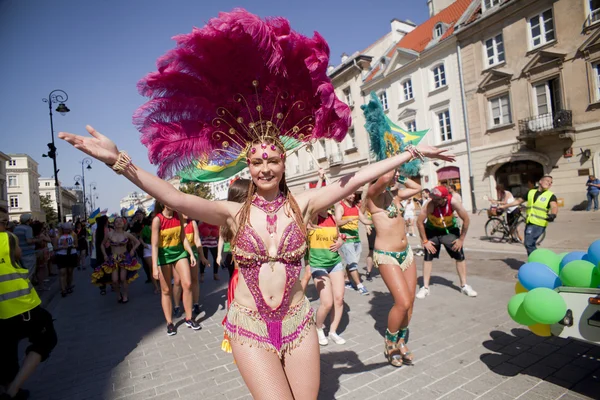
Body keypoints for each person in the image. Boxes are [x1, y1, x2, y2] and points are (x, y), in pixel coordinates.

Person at [58, 9, 454, 397]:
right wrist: (119, 161)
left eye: (273, 159)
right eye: (258, 160)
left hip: (299, 323)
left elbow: (357, 177)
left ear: (283, 162)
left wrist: (411, 154)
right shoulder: (230, 212)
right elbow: (172, 195)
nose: (265, 167)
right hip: (250, 327)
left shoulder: (305, 203)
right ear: (247, 165)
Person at [0, 207, 58, 400]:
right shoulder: (7, 238)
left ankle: (11, 388)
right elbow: (16, 256)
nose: (7, 226)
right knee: (46, 337)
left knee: (6, 350)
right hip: (19, 304)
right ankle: (12, 390)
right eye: (4, 222)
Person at [365, 173, 422, 366]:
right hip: (387, 255)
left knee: (411, 301)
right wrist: (392, 165)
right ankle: (390, 342)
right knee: (402, 302)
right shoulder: (372, 197)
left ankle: (401, 340)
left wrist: (401, 175)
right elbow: (381, 180)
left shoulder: (395, 195)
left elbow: (417, 188)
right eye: (391, 174)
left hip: (406, 253)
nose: (393, 177)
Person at [307, 170, 346, 346]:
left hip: (335, 263)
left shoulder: (332, 218)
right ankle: (318, 327)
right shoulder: (312, 218)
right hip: (319, 265)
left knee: (339, 299)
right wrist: (321, 179)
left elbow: (339, 236)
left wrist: (339, 243)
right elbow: (316, 196)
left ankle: (333, 331)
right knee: (327, 303)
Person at [415, 186, 477, 299]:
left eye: (437, 199)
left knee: (459, 256)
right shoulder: (430, 204)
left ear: (444, 198)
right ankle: (425, 287)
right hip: (432, 231)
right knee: (428, 257)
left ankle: (464, 285)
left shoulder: (453, 202)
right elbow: (419, 222)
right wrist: (425, 241)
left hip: (449, 231)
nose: (434, 200)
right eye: (433, 198)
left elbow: (466, 219)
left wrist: (461, 239)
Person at [151, 203, 199, 334]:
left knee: (187, 284)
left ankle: (189, 318)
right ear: (162, 203)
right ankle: (170, 323)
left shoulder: (178, 216)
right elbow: (154, 245)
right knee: (166, 290)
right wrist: (155, 266)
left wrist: (190, 253)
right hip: (163, 255)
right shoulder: (157, 220)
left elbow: (183, 237)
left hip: (179, 253)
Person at [499, 175, 558, 255]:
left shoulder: (550, 195)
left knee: (528, 243)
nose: (549, 183)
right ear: (540, 181)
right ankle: (535, 260)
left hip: (539, 224)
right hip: (529, 222)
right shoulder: (531, 192)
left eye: (551, 182)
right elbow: (518, 201)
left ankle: (537, 260)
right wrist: (504, 206)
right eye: (547, 181)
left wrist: (553, 215)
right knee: (529, 244)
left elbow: (554, 206)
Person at [97, 217, 142, 303]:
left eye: (120, 221)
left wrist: (132, 250)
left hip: (124, 258)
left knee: (122, 278)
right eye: (116, 221)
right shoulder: (109, 234)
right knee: (114, 280)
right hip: (113, 258)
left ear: (123, 223)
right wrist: (105, 255)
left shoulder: (126, 234)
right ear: (113, 224)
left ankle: (125, 295)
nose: (118, 223)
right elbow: (102, 245)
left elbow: (137, 242)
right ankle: (118, 294)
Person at [335, 193, 371, 295]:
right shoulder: (340, 207)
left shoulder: (355, 207)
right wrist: (347, 220)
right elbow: (337, 221)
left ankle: (346, 279)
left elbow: (364, 220)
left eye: (354, 194)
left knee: (351, 262)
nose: (353, 196)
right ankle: (360, 286)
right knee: (353, 264)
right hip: (346, 240)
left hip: (356, 239)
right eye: (350, 194)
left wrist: (376, 221)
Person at [173, 214, 208, 317]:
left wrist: (202, 256)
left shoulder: (192, 223)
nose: (186, 213)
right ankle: (176, 306)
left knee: (194, 279)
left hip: (193, 252)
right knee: (177, 281)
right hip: (179, 254)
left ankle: (196, 303)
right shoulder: (175, 224)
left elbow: (197, 240)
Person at [217, 178, 250, 282]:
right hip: (236, 267)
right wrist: (219, 255)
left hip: (255, 278)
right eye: (250, 196)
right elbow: (221, 238)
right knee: (232, 275)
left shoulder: (254, 217)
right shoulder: (228, 220)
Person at [55, 223, 78, 297]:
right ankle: (63, 289)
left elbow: (76, 245)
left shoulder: (73, 235)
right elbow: (55, 247)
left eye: (68, 229)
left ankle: (69, 285)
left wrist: (72, 246)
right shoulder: (58, 236)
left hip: (71, 254)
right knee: (62, 272)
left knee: (70, 271)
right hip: (61, 255)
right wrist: (62, 247)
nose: (67, 230)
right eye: (65, 229)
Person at [140, 216, 160, 294]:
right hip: (148, 248)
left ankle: (162, 284)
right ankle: (156, 287)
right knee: (152, 267)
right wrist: (144, 244)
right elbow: (140, 238)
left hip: (158, 247)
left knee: (160, 267)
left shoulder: (160, 226)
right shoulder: (146, 228)